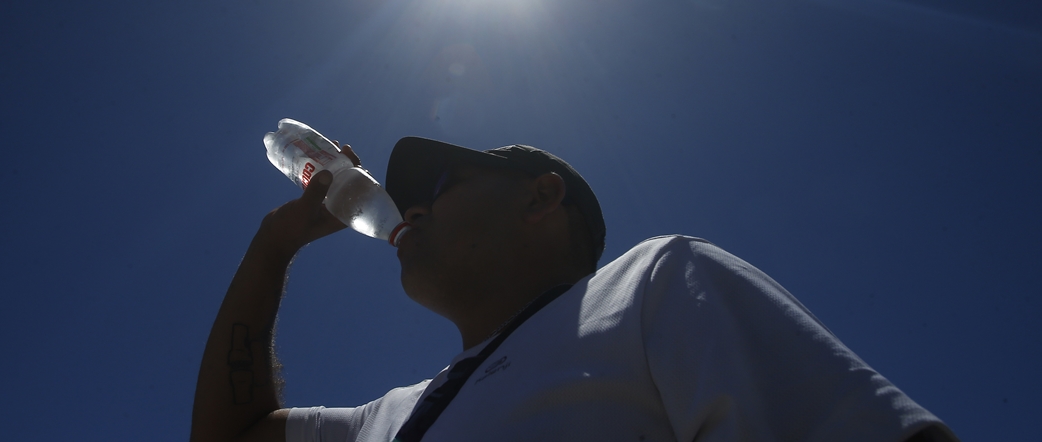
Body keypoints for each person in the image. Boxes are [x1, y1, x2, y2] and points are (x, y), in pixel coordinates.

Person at [191, 137, 958, 442]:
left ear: (540, 198)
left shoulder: (655, 286)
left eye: (444, 185)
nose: (412, 207)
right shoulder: (387, 418)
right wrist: (274, 245)